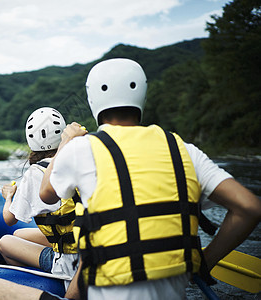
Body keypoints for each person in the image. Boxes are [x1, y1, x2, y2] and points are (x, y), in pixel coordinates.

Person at [39, 58, 261, 299]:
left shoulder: (81, 149)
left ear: (93, 100)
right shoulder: (184, 149)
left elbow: (46, 194)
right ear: (142, 96)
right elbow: (249, 208)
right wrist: (203, 262)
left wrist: (65, 142)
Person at [0, 107, 80, 289]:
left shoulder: (35, 173)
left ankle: (40, 285)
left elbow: (9, 219)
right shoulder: (80, 160)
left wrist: (9, 197)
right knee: (20, 234)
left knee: (5, 242)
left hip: (69, 264)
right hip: (87, 248)